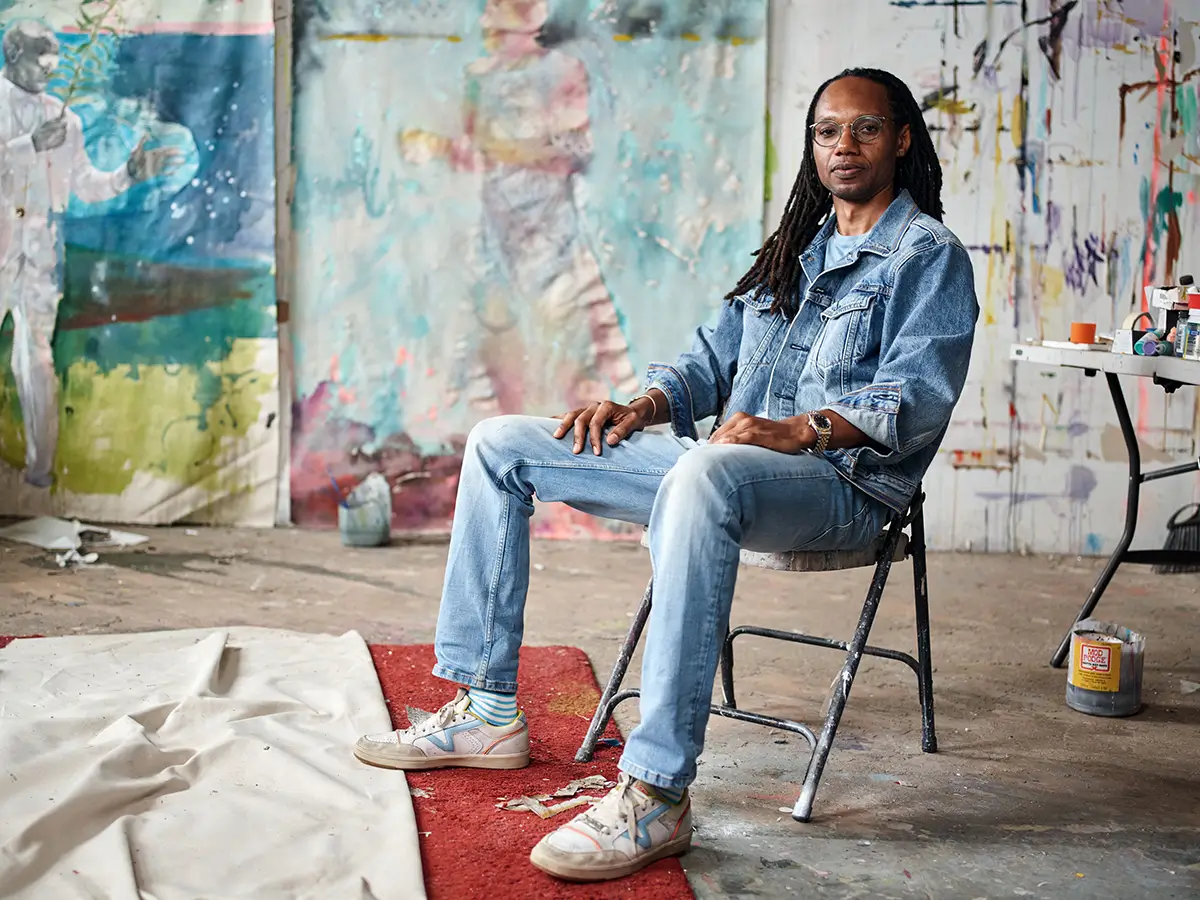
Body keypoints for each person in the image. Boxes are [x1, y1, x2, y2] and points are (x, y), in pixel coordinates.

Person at [356, 67, 979, 882]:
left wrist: (798, 429)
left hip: (841, 487)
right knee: (501, 442)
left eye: (864, 128)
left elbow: (916, 400)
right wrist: (642, 405)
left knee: (705, 475)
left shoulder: (928, 256)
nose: (844, 146)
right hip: (720, 469)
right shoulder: (797, 248)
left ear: (900, 139)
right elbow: (710, 362)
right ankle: (486, 709)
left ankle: (656, 791)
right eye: (827, 131)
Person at [399, 0, 639, 416]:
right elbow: (473, 151)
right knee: (497, 347)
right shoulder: (477, 77)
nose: (485, 19)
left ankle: (581, 444)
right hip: (497, 233)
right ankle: (509, 442)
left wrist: (501, 150)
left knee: (568, 348)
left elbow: (575, 151)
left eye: (496, 7)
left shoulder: (562, 70)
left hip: (551, 234)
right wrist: (437, 148)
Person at [0, 19, 178, 488]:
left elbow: (85, 185)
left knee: (37, 362)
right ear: (13, 53)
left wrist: (128, 175)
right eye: (42, 55)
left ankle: (40, 472)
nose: (52, 66)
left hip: (41, 260)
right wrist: (29, 146)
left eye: (55, 56)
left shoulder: (67, 121)